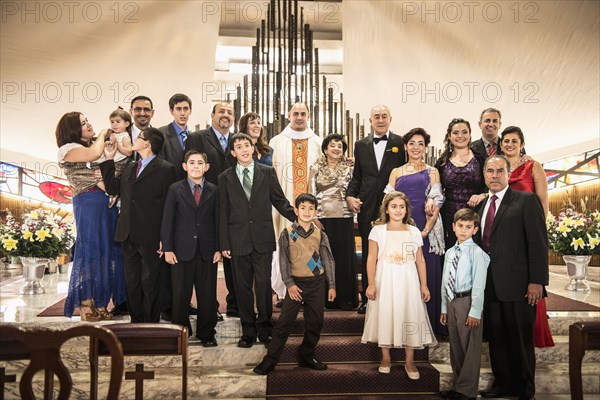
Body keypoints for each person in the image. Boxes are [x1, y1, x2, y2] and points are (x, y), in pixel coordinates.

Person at [476, 155, 548, 400]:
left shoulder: (526, 201)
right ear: (484, 175)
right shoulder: (480, 205)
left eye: (499, 171)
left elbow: (538, 243)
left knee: (520, 339)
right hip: (489, 283)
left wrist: (536, 280)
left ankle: (525, 390)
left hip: (519, 283)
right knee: (497, 337)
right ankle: (502, 385)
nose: (494, 175)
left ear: (508, 174)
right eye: (490, 171)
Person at [219, 133, 296, 348]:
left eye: (247, 145)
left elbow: (279, 200)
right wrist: (224, 243)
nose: (244, 149)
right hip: (237, 240)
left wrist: (299, 217)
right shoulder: (225, 177)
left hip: (262, 238)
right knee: (242, 288)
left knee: (263, 286)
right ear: (233, 153)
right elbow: (223, 212)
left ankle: (264, 327)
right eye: (239, 147)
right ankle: (248, 331)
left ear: (252, 148)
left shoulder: (267, 172)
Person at [253, 193, 336, 375]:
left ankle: (307, 354)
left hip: (317, 283)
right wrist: (289, 284)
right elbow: (283, 261)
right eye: (303, 208)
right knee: (284, 323)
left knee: (315, 322)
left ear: (315, 212)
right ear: (296, 210)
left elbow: (328, 260)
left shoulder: (320, 234)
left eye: (311, 208)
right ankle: (270, 359)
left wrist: (332, 285)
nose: (307, 211)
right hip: (295, 285)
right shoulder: (287, 233)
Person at [100, 127, 177, 323]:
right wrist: (108, 160)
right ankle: (136, 322)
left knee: (150, 282)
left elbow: (169, 207)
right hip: (127, 233)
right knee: (132, 282)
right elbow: (112, 188)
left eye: (139, 137)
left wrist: (165, 238)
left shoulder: (166, 169)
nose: (135, 139)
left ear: (147, 143)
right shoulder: (130, 166)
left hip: (151, 235)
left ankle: (151, 325)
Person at [56, 112, 126, 321]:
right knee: (91, 249)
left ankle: (103, 302)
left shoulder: (96, 147)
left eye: (88, 120)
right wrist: (105, 132)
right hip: (88, 203)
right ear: (72, 130)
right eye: (83, 123)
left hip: (109, 203)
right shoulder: (67, 149)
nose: (89, 124)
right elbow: (96, 157)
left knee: (108, 252)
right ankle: (86, 303)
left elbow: (112, 170)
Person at [361, 191, 437, 378]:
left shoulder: (413, 231)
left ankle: (409, 361)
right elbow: (371, 259)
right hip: (385, 277)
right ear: (386, 209)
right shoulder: (378, 231)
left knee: (409, 313)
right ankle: (385, 357)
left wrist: (424, 284)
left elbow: (420, 260)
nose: (398, 210)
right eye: (394, 206)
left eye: (401, 207)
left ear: (406, 210)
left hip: (408, 278)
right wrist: (371, 284)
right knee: (385, 313)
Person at [346, 105, 406, 314]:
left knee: (391, 251)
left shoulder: (400, 142)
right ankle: (367, 299)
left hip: (393, 208)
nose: (380, 120)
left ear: (391, 119)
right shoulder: (360, 145)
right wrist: (350, 195)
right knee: (369, 252)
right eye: (376, 117)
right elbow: (357, 176)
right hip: (367, 205)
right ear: (370, 121)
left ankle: (391, 297)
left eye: (384, 116)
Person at [500, 125, 554, 348]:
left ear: (522, 144)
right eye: (506, 141)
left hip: (527, 227)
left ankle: (534, 330)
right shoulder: (498, 167)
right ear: (501, 144)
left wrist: (539, 228)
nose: (510, 144)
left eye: (514, 141)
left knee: (530, 273)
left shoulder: (534, 166)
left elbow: (542, 200)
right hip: (504, 231)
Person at [389, 128, 446, 335]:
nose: (415, 147)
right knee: (403, 274)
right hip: (400, 228)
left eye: (420, 143)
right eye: (412, 143)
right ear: (405, 146)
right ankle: (403, 328)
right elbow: (388, 203)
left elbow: (438, 200)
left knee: (426, 274)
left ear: (425, 147)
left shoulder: (432, 171)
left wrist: (426, 231)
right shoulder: (396, 172)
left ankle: (428, 326)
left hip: (425, 227)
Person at [161, 150, 220, 346]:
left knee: (207, 294)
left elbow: (218, 221)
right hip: (180, 250)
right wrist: (167, 248)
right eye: (192, 162)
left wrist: (219, 248)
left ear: (207, 167)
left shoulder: (214, 190)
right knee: (180, 294)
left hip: (207, 250)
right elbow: (167, 220)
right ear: (185, 166)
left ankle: (207, 334)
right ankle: (181, 333)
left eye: (200, 163)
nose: (196, 166)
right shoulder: (174, 189)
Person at [186, 102, 238, 320]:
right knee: (206, 259)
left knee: (232, 256)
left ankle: (235, 305)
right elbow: (191, 168)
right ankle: (209, 308)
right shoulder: (198, 137)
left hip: (233, 206)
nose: (225, 115)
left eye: (229, 112)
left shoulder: (237, 140)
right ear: (212, 116)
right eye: (221, 112)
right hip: (205, 204)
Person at [269, 102, 323, 302]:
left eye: (303, 113)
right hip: (283, 208)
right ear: (288, 115)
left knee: (312, 247)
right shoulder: (275, 142)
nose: (299, 117)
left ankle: (312, 292)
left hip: (311, 210)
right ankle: (284, 292)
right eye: (295, 113)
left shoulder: (318, 142)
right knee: (285, 247)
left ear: (308, 116)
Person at [439, 209, 490, 400]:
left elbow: (479, 284)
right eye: (460, 226)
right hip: (452, 302)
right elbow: (445, 280)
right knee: (456, 346)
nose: (463, 230)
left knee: (470, 347)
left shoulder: (477, 253)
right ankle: (458, 385)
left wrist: (475, 310)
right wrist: (444, 307)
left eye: (468, 227)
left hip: (468, 301)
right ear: (453, 227)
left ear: (475, 230)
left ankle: (467, 391)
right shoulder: (451, 252)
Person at [308, 133, 357, 310]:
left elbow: (354, 191)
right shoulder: (315, 168)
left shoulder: (350, 168)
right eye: (332, 145)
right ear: (325, 149)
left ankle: (346, 299)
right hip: (322, 219)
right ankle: (323, 299)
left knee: (344, 259)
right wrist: (313, 217)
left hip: (344, 217)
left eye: (340, 146)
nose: (336, 149)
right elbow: (310, 194)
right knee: (323, 258)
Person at [435, 118, 487, 250]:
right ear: (449, 136)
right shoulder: (441, 162)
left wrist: (483, 195)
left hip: (476, 213)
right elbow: (436, 189)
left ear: (470, 135)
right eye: (456, 132)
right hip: (449, 216)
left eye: (464, 132)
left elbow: (492, 184)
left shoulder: (481, 158)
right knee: (451, 253)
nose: (460, 136)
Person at [159, 93, 194, 180]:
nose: (182, 113)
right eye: (178, 109)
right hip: (168, 186)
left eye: (186, 109)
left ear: (190, 111)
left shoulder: (194, 136)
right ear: (171, 111)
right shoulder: (161, 133)